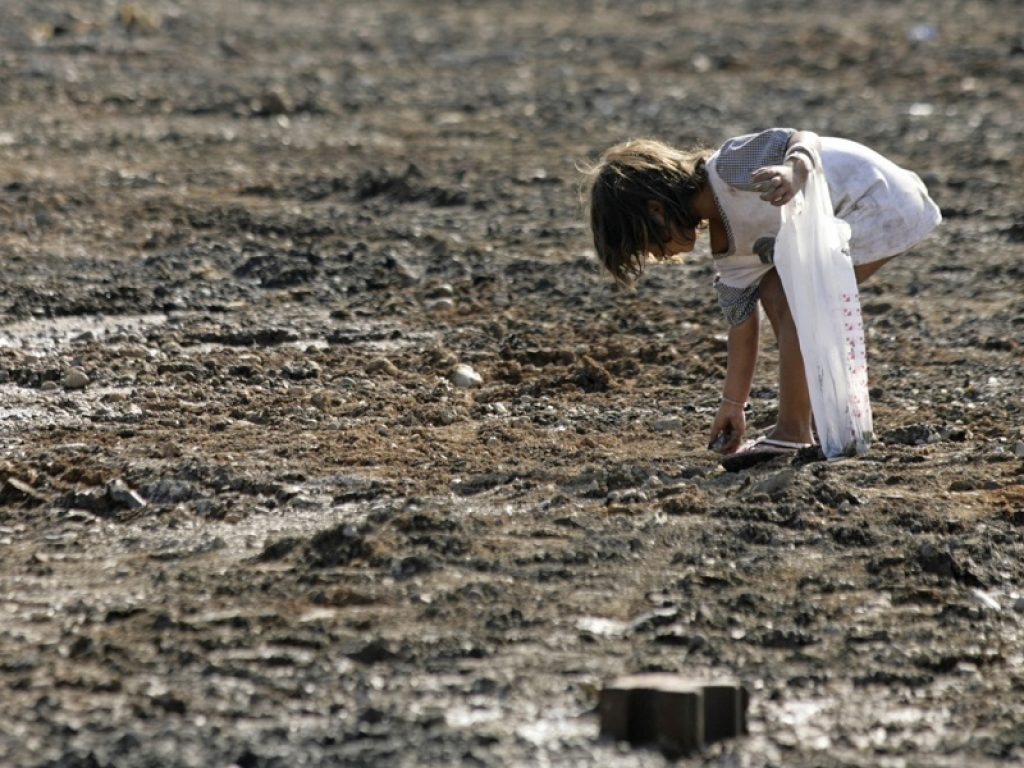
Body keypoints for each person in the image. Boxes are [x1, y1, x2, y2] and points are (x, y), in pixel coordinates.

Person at [583, 128, 941, 469]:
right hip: (854, 216)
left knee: (791, 290)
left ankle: (793, 429)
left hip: (879, 200)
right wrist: (732, 406)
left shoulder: (729, 168)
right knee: (777, 287)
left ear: (655, 211)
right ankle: (807, 422)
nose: (658, 257)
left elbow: (802, 138)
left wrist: (793, 171)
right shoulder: (731, 253)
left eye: (649, 246)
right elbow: (741, 325)